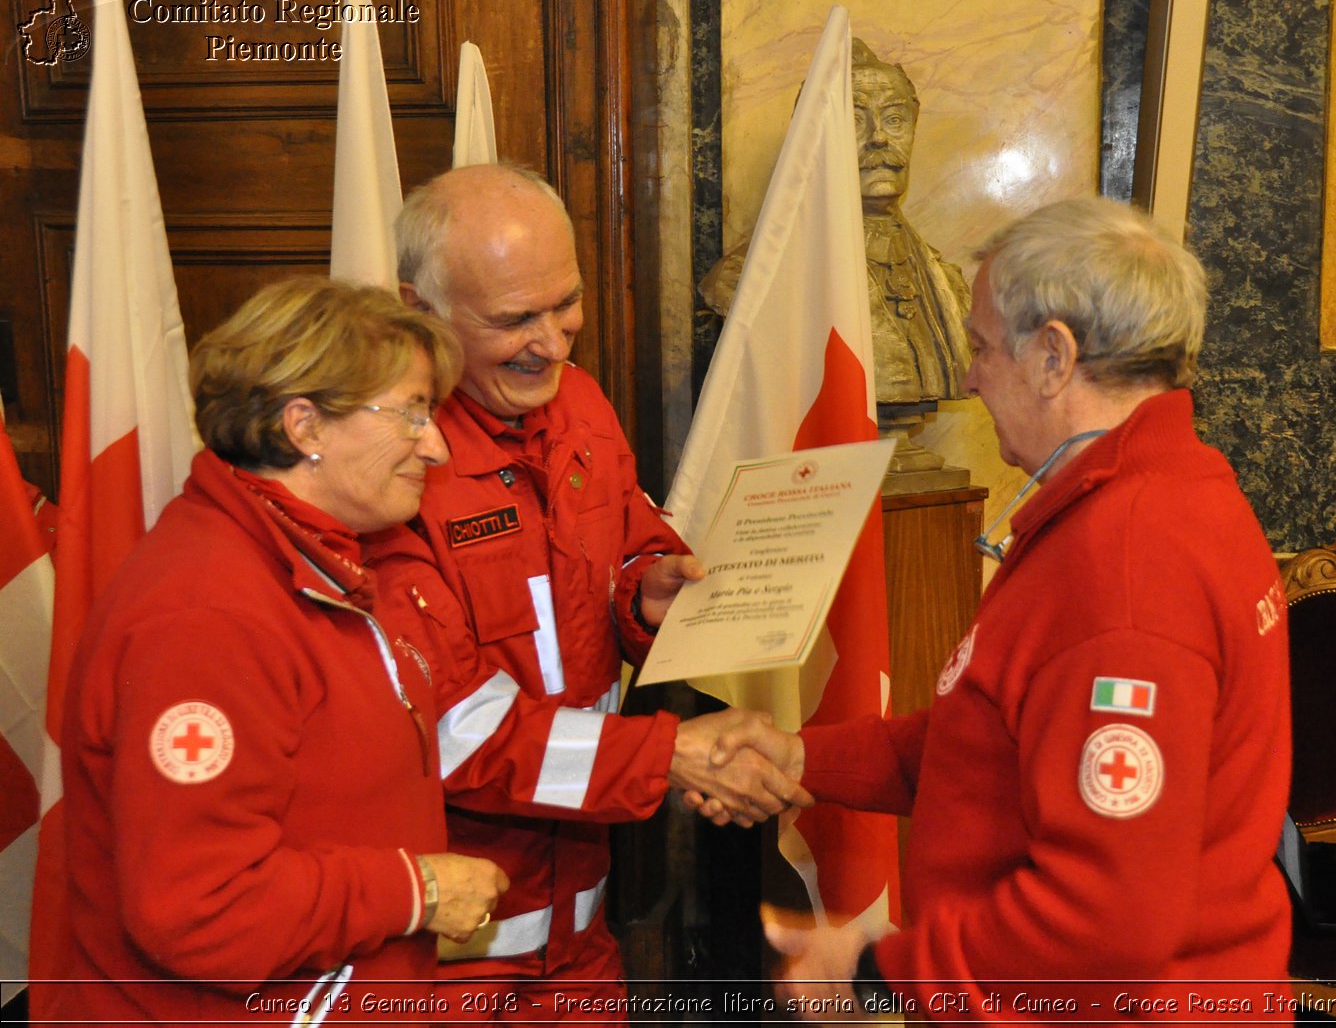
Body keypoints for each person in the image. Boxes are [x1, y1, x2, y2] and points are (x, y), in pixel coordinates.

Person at [745, 197, 1293, 1020]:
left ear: (1053, 356)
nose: (968, 376)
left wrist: (872, 970)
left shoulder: (1127, 563)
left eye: (980, 346)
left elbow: (1108, 920)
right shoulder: (1162, 491)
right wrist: (797, 759)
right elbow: (997, 738)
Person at [373, 163, 806, 1019]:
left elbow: (626, 544)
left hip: (583, 943)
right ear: (416, 310)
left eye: (564, 303)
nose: (554, 342)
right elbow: (455, 732)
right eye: (513, 320)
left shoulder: (580, 406)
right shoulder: (388, 462)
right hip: (447, 962)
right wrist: (665, 755)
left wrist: (648, 590)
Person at [41, 278, 509, 1024]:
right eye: (413, 412)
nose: (438, 444)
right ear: (305, 426)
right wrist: (413, 889)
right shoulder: (206, 616)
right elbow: (196, 907)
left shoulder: (323, 563)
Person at [700, 39, 971, 406]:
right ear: (813, 139)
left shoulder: (949, 285)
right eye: (853, 120)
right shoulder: (748, 278)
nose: (878, 138)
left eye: (894, 119)